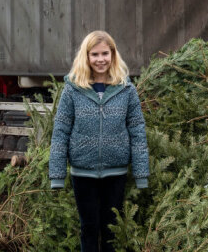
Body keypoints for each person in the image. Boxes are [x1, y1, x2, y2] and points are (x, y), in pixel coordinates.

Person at [49, 31, 150, 252]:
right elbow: (60, 132)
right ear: (86, 57)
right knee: (89, 227)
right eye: (94, 54)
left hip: (116, 173)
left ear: (113, 55)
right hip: (82, 172)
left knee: (111, 229)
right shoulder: (73, 90)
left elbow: (137, 131)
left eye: (105, 53)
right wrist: (57, 175)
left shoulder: (126, 89)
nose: (100, 59)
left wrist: (141, 174)